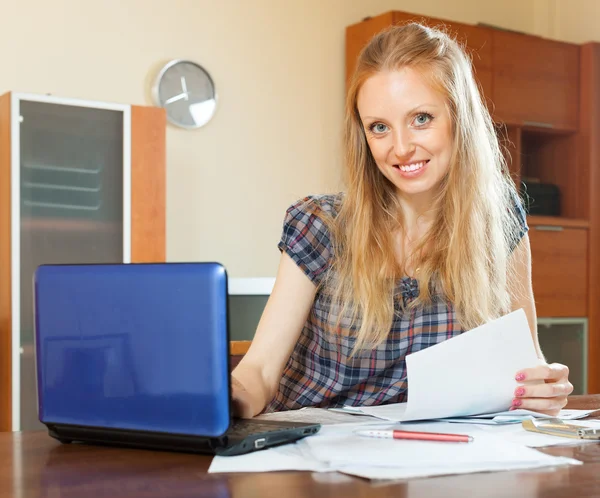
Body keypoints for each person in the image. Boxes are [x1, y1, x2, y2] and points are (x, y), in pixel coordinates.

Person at [231, 22, 573, 418]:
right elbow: (259, 372)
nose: (401, 148)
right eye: (379, 127)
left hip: (439, 454)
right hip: (314, 450)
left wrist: (544, 386)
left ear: (459, 117)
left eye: (421, 119)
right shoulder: (320, 225)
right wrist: (225, 400)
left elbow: (526, 361)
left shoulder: (499, 218)